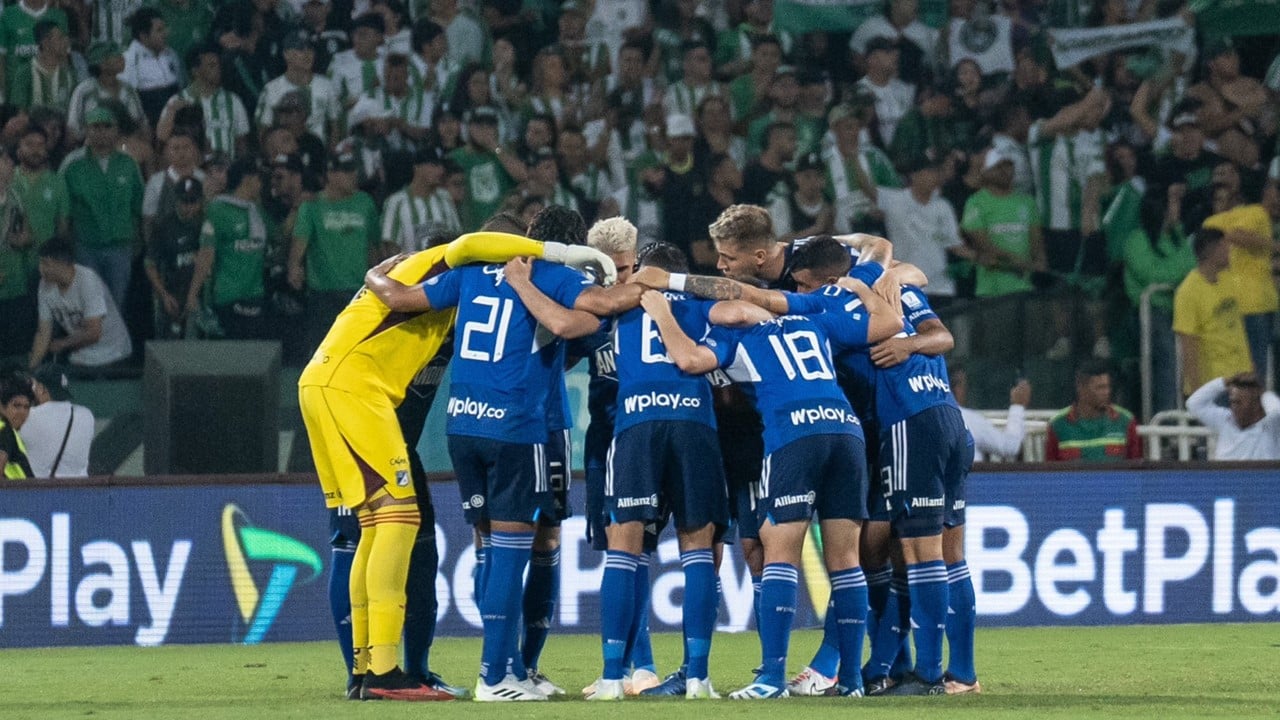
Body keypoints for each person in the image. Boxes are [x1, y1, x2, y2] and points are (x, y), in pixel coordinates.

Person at [302, 225, 615, 700]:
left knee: (373, 523)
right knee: (397, 519)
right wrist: (561, 253)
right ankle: (390, 670)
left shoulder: (447, 288)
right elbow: (470, 246)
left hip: (334, 387)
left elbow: (408, 299)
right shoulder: (445, 263)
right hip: (354, 390)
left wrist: (373, 277)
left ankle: (368, 667)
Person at [641, 263, 903, 700]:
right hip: (845, 431)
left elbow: (688, 360)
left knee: (780, 554)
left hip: (795, 435)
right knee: (846, 561)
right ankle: (852, 682)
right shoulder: (813, 324)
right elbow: (890, 322)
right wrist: (860, 286)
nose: (719, 311)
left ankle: (770, 680)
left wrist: (660, 312)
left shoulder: (738, 338)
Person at [584, 243, 728, 701]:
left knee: (623, 549)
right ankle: (699, 677)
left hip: (637, 424)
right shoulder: (706, 302)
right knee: (698, 549)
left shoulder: (623, 297)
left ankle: (611, 676)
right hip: (694, 424)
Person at [288, 149, 381, 355]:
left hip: (360, 289)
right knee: (324, 350)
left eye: (353, 171)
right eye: (346, 172)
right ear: (330, 175)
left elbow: (373, 245)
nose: (353, 176)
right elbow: (300, 240)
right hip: (324, 292)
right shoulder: (312, 206)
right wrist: (294, 267)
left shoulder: (365, 202)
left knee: (358, 350)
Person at [59, 105, 144, 311]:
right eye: (95, 126)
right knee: (88, 305)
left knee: (116, 305)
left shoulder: (128, 163)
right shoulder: (72, 164)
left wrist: (137, 239)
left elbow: (138, 205)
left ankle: (114, 344)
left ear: (116, 130)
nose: (102, 132)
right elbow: (63, 210)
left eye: (107, 126)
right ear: (86, 130)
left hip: (120, 247)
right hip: (86, 246)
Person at [188, 158, 272, 340]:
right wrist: (193, 294)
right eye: (259, 178)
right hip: (229, 294)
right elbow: (206, 254)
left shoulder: (257, 211)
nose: (261, 184)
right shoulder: (218, 209)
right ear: (248, 179)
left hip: (256, 294)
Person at [27, 236, 132, 370]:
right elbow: (43, 334)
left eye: (46, 264)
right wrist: (31, 370)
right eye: (40, 263)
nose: (41, 269)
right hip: (82, 356)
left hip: (113, 354)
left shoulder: (87, 281)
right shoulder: (45, 286)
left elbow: (94, 332)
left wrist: (62, 344)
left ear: (63, 263)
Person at [1173, 227, 1253, 397]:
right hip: (1215, 386)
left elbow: (1239, 332)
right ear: (1212, 250)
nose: (1230, 250)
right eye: (1225, 246)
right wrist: (1197, 394)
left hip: (1241, 380)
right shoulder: (1188, 292)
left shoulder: (1228, 279)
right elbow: (1188, 346)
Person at [1044, 360, 1142, 462]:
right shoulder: (1058, 424)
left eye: (1107, 387)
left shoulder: (1126, 421)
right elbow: (1050, 472)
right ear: (1081, 388)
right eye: (1100, 388)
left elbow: (1135, 468)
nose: (1106, 392)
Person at [144, 177, 204, 339]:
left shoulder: (206, 223)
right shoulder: (164, 226)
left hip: (202, 295)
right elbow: (150, 264)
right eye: (184, 202)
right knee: (168, 345)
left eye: (193, 202)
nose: (188, 207)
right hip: (173, 293)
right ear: (176, 200)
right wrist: (163, 294)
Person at [1185, 373, 1280, 461]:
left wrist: (1264, 393)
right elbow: (1193, 404)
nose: (1233, 407)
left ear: (1255, 404)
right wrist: (1224, 383)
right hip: (1224, 477)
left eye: (1238, 402)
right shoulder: (1224, 419)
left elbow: (1277, 412)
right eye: (1232, 402)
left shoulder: (1270, 426)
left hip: (1261, 478)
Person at [19, 369, 94, 477]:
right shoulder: (87, 415)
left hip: (42, 490)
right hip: (80, 489)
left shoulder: (27, 416)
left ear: (41, 389)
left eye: (34, 385)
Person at [951, 362, 1031, 461]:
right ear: (958, 388)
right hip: (969, 476)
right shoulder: (967, 419)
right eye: (965, 385)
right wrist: (1017, 406)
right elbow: (1010, 447)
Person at [119, 8, 183, 127]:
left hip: (175, 121)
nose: (166, 33)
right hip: (148, 123)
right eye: (159, 30)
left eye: (165, 28)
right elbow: (127, 100)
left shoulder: (171, 55)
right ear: (143, 36)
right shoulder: (129, 61)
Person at [0, 374, 35, 478]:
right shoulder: (5, 432)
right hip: (18, 493)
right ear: (2, 407)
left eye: (26, 407)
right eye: (16, 405)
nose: (22, 412)